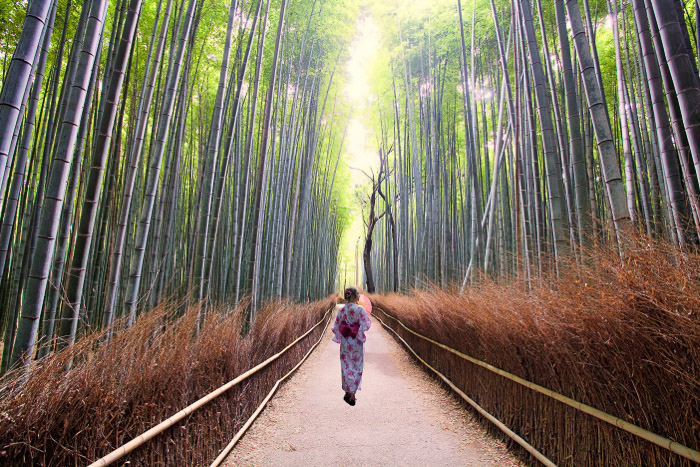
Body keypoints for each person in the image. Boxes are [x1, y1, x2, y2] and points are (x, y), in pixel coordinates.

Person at [332, 287, 371, 406]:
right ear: (354, 296)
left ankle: (348, 391)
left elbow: (337, 325)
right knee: (357, 366)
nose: (359, 296)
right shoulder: (360, 309)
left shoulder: (342, 310)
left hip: (345, 342)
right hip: (357, 341)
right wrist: (358, 328)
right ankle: (352, 393)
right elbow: (367, 324)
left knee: (346, 366)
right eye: (358, 294)